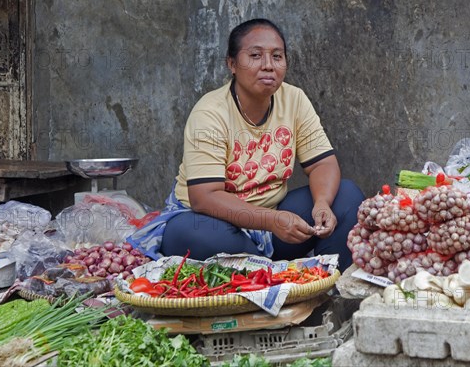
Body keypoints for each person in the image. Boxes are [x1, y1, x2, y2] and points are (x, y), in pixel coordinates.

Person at [128, 19, 364, 271]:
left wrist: (322, 204)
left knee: (346, 196)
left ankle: (326, 285)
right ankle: (269, 274)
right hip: (215, 221)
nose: (268, 66)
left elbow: (322, 163)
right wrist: (271, 220)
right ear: (232, 64)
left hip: (274, 225)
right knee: (190, 234)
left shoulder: (294, 99)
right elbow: (204, 198)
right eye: (254, 56)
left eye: (277, 56)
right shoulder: (210, 112)